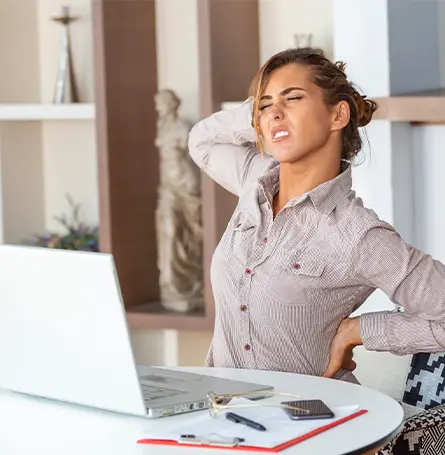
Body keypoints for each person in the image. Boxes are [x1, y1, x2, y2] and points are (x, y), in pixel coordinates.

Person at [187, 47, 445, 384]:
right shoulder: (255, 180)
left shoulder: (358, 235)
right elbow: (201, 140)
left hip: (311, 427)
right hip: (222, 418)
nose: (274, 113)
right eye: (265, 105)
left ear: (338, 116)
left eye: (292, 99)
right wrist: (262, 115)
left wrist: (361, 330)